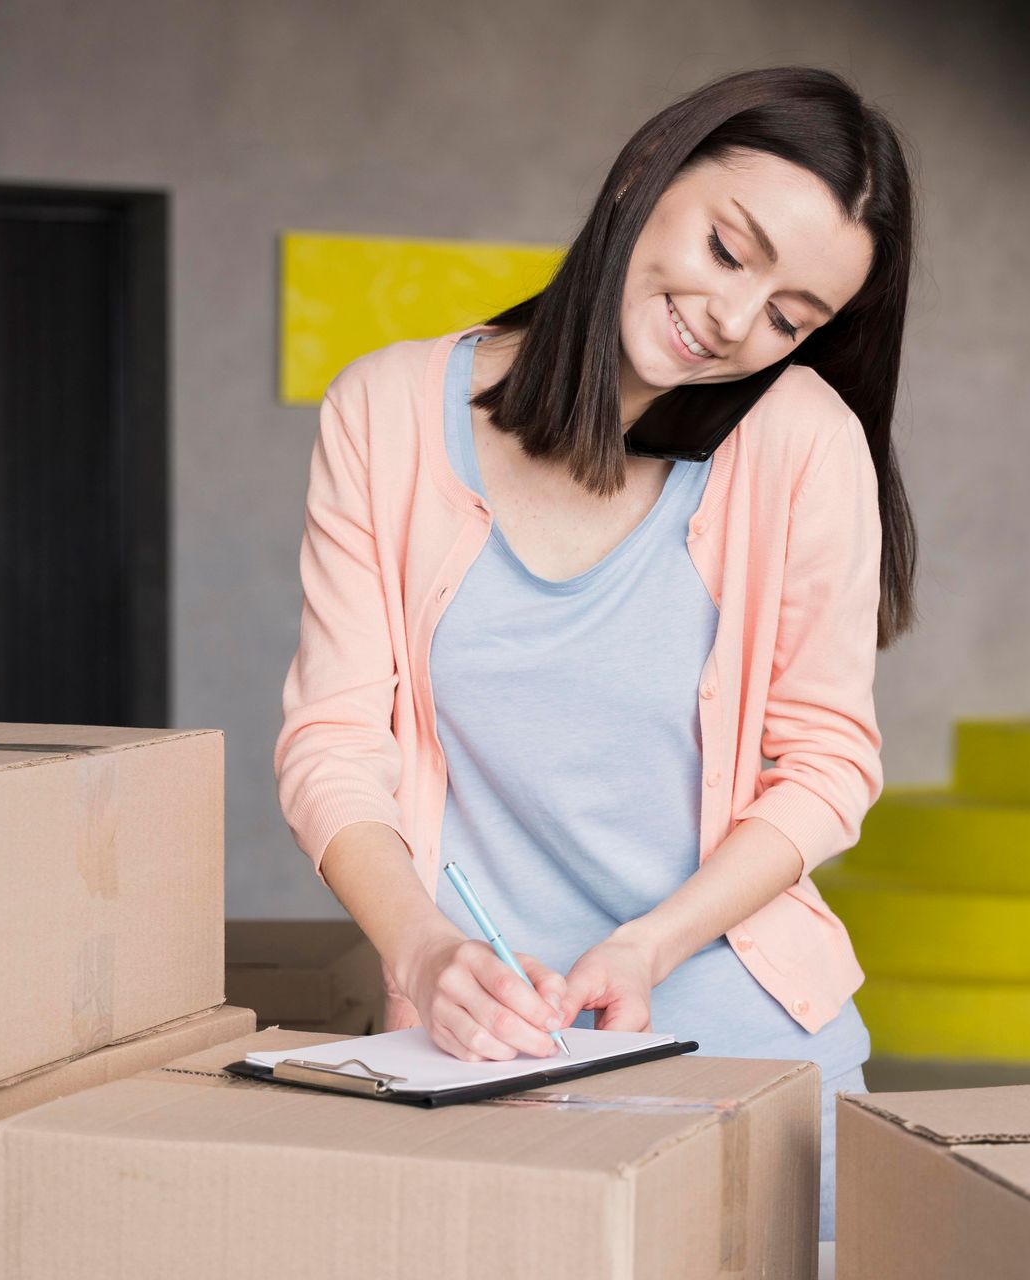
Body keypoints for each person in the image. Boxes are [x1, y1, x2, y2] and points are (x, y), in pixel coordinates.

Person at [272, 64, 919, 1242]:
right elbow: (331, 740)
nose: (734, 321)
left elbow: (828, 762)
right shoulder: (387, 414)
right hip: (475, 1050)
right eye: (730, 248)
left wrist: (650, 944)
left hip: (753, 1047)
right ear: (643, 175)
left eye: (789, 316)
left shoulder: (802, 443)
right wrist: (422, 946)